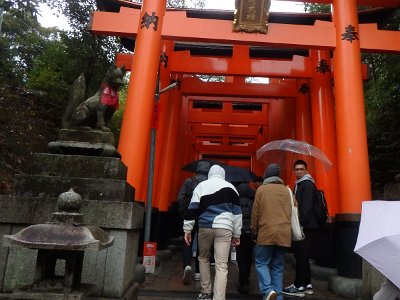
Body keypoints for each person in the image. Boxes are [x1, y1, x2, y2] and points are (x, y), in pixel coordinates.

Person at [183, 165, 242, 300]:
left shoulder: (201, 186)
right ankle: (219, 298)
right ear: (223, 174)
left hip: (205, 227)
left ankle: (205, 292)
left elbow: (192, 209)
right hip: (225, 227)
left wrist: (187, 230)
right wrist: (236, 234)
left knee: (203, 258)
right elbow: (237, 214)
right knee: (221, 264)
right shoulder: (232, 188)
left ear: (210, 174)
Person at [251, 163, 292, 300]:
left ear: (266, 175)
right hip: (284, 234)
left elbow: (255, 213)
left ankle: (268, 290)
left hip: (266, 232)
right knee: (278, 266)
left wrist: (254, 231)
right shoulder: (287, 190)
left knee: (261, 262)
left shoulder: (262, 189)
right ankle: (278, 296)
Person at [282, 159, 318, 297]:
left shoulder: (307, 184)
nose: (298, 171)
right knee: (303, 255)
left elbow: (307, 207)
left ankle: (298, 286)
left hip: (305, 225)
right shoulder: (300, 184)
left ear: (306, 170)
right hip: (305, 225)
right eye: (296, 169)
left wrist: (300, 224)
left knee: (301, 255)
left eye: (301, 169)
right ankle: (307, 284)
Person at [178, 160, 210, 285]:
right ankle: (198, 271)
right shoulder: (209, 184)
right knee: (202, 242)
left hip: (190, 214)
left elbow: (180, 198)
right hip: (204, 216)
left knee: (187, 240)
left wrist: (183, 213)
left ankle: (186, 265)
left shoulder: (188, 181)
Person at [235, 182, 256, 295]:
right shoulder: (253, 202)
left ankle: (243, 283)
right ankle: (246, 278)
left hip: (239, 233)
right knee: (249, 258)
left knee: (240, 257)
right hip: (251, 233)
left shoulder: (236, 202)